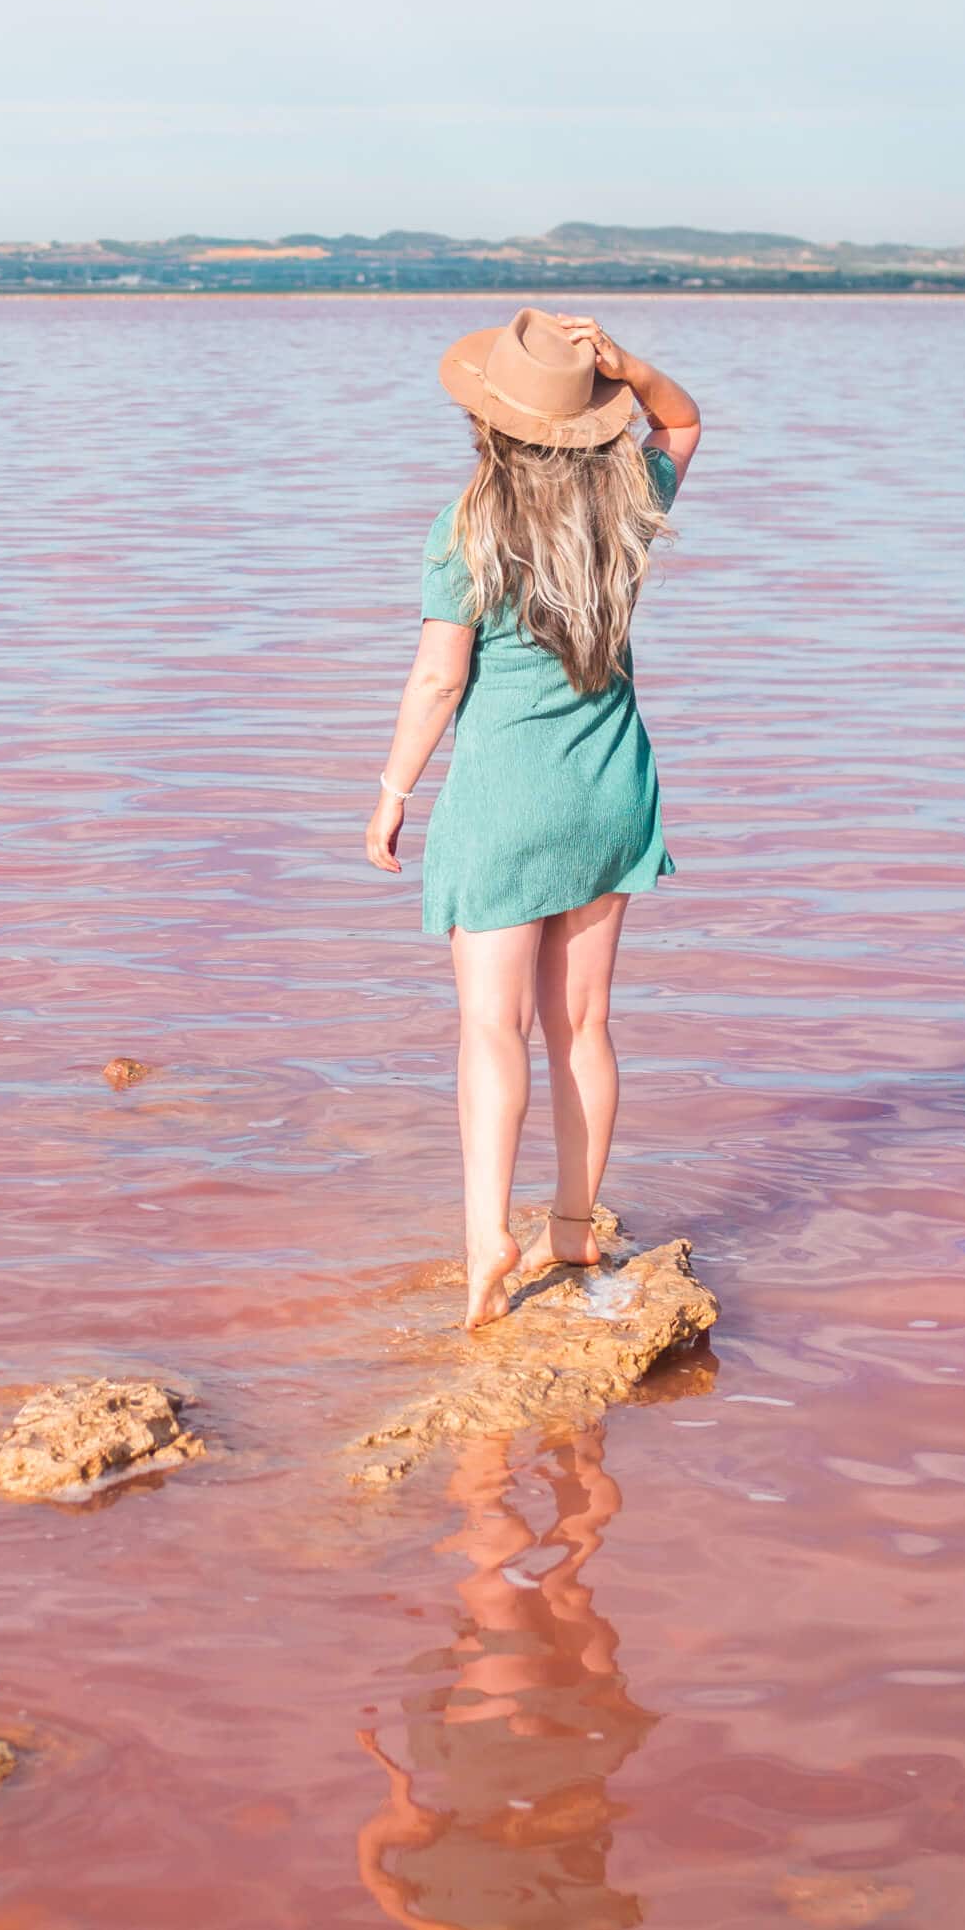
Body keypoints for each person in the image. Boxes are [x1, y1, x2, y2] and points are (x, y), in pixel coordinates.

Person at [365, 309, 701, 1329]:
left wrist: (390, 792)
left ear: (489, 421)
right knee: (582, 1026)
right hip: (608, 791)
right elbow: (680, 424)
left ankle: (484, 1239)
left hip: (503, 803)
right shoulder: (629, 498)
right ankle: (570, 1228)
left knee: (489, 1027)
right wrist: (629, 366)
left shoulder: (466, 525)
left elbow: (436, 678)